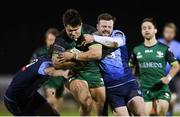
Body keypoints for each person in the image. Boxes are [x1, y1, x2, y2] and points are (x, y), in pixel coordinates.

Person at [81, 13, 145, 116]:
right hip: (112, 89)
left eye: (109, 27)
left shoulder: (118, 34)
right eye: (104, 26)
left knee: (141, 112)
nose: (107, 29)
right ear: (97, 26)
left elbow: (116, 43)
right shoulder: (90, 42)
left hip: (128, 83)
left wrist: (94, 38)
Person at [52, 9, 106, 116]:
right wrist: (74, 64)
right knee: (86, 101)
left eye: (76, 30)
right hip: (74, 74)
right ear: (65, 26)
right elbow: (55, 62)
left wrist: (73, 56)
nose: (73, 33)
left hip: (93, 71)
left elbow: (96, 54)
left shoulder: (90, 31)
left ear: (81, 24)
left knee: (101, 110)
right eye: (70, 31)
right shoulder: (61, 38)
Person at [129, 18, 179, 116]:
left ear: (155, 30)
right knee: (144, 114)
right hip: (145, 89)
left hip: (161, 88)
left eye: (149, 28)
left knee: (162, 110)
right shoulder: (137, 50)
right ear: (141, 31)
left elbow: (176, 66)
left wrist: (168, 78)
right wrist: (132, 81)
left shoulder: (164, 48)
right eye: (144, 28)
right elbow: (131, 67)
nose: (146, 30)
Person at [4, 57, 70, 116]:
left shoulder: (45, 61)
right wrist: (63, 73)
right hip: (15, 100)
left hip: (30, 95)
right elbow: (49, 71)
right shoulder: (45, 63)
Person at [31, 28, 65, 112]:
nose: (51, 42)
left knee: (58, 105)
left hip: (60, 79)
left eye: (53, 40)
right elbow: (32, 65)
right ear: (46, 40)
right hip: (48, 79)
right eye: (50, 40)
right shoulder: (40, 52)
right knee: (51, 99)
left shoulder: (62, 52)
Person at [158, 22, 180, 116]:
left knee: (172, 98)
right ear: (163, 32)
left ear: (174, 34)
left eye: (171, 32)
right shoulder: (158, 43)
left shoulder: (177, 46)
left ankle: (169, 114)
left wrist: (171, 75)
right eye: (167, 32)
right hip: (158, 76)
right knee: (158, 99)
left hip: (172, 77)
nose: (169, 34)